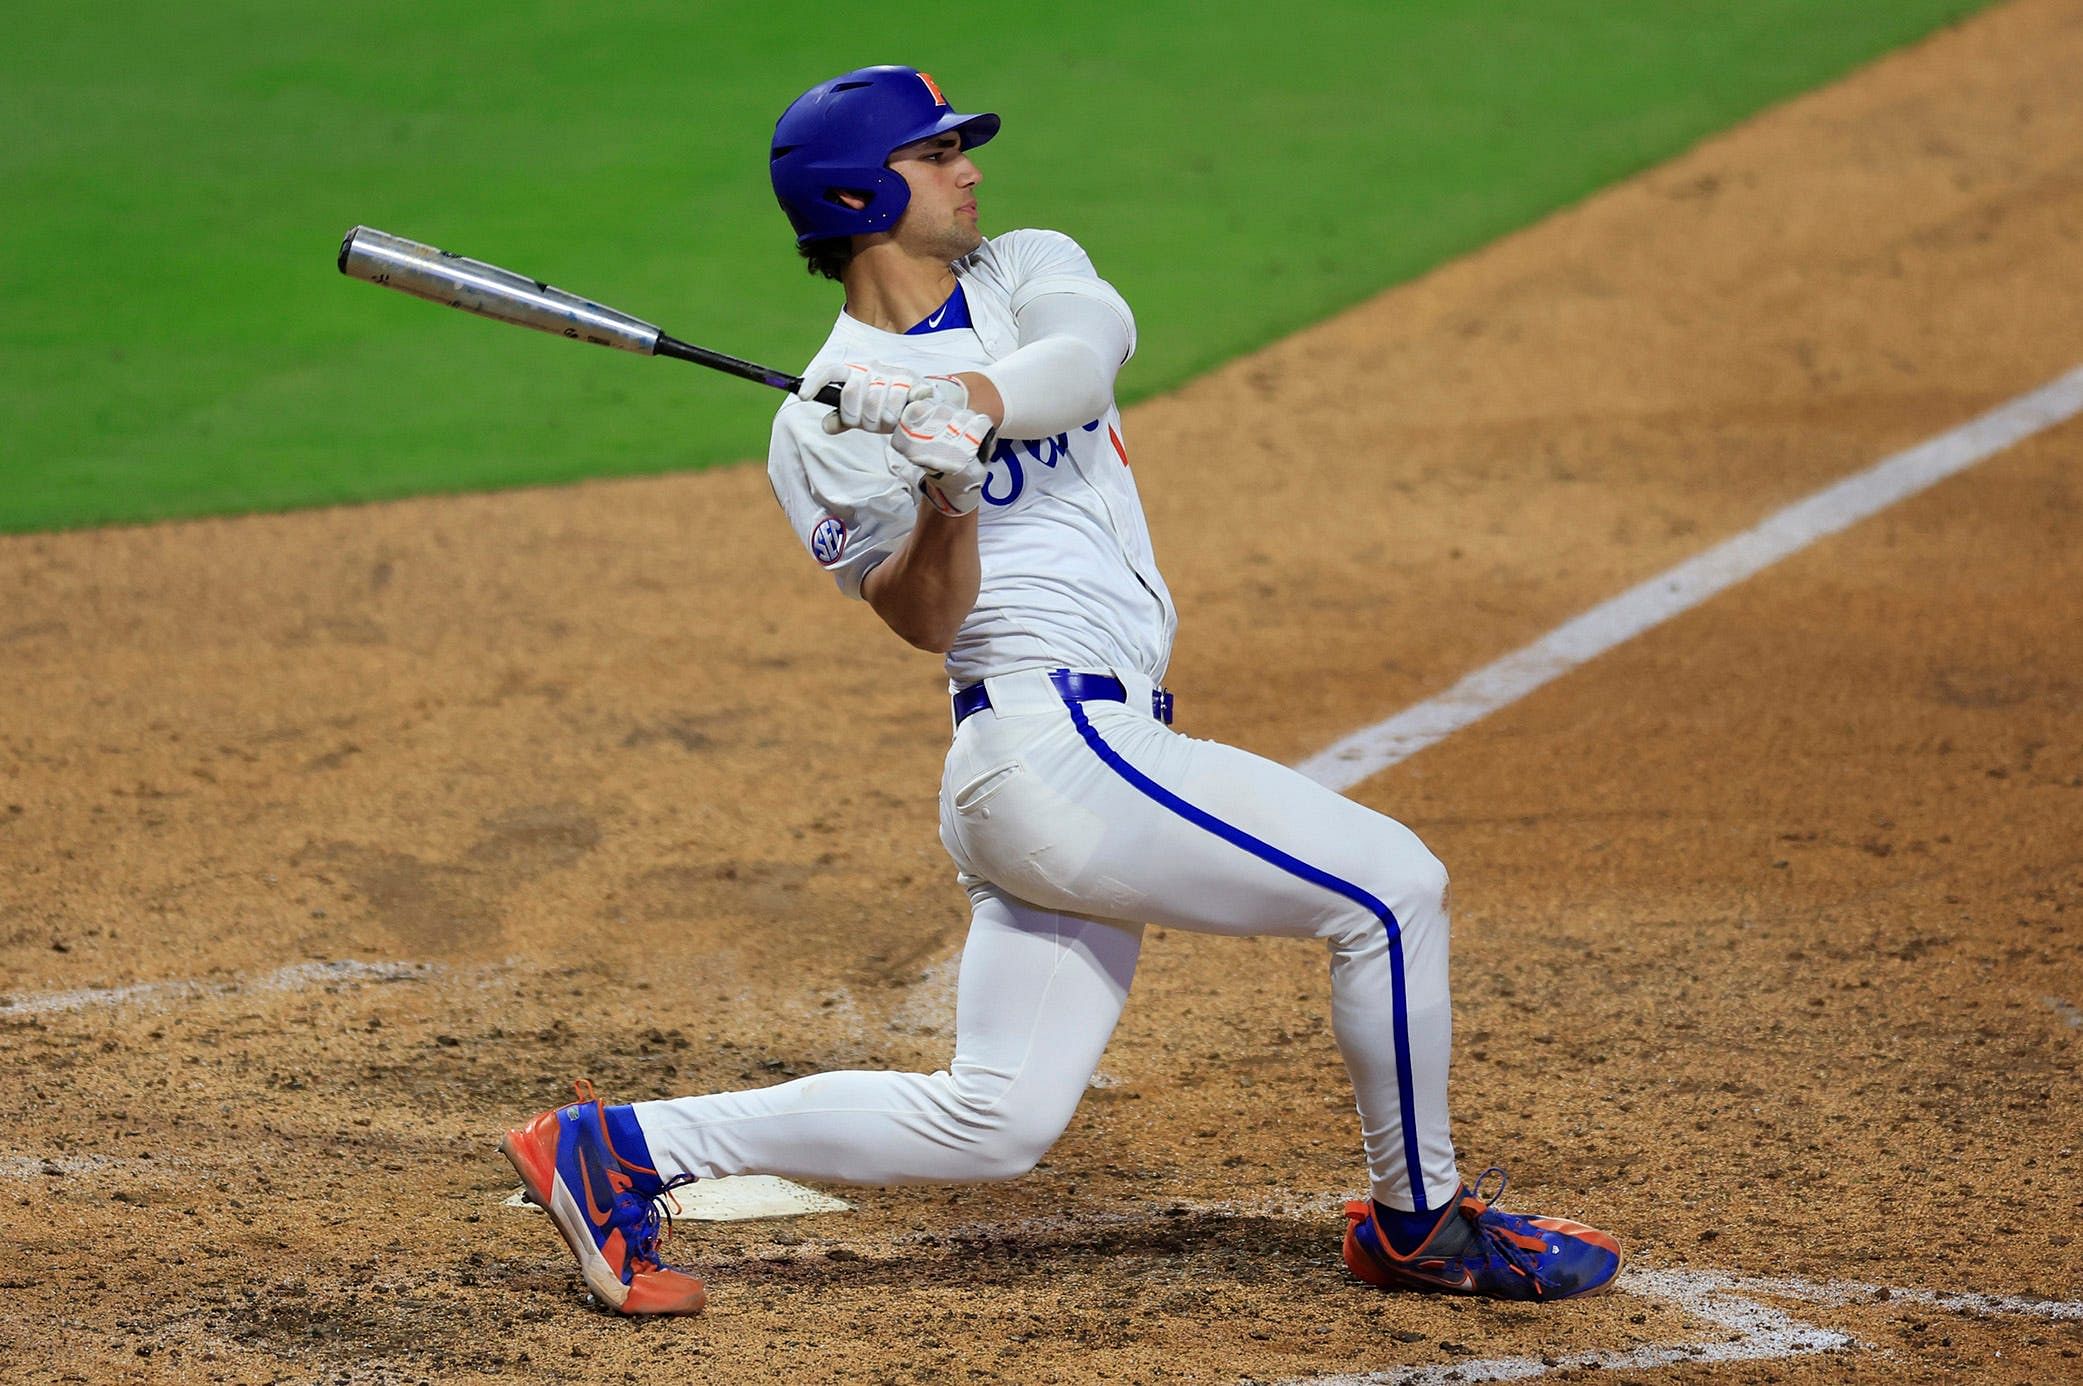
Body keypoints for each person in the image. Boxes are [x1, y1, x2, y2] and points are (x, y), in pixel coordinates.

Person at [500, 65, 1622, 1317]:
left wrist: (961, 403)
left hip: (1079, 752)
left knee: (996, 1123)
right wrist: (942, 491)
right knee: (1393, 888)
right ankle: (1421, 1222)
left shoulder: (1025, 270)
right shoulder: (818, 427)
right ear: (862, 192)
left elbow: (1084, 365)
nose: (971, 167)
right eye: (935, 154)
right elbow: (925, 619)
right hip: (1046, 750)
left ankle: (621, 1149)